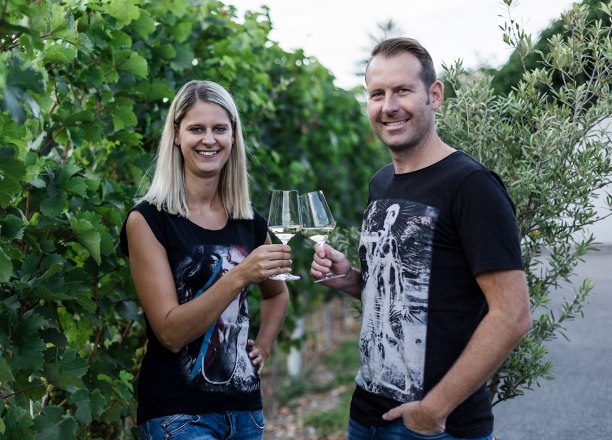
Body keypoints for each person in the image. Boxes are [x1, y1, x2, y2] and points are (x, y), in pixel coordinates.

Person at [311, 37, 532, 439]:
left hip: (437, 426)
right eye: (377, 94)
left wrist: (434, 410)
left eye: (402, 91)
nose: (388, 106)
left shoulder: (471, 185)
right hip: (366, 416)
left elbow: (512, 315)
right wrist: (354, 280)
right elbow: (411, 292)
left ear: (434, 95)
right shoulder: (381, 183)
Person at [120, 79, 291, 439]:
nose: (209, 140)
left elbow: (277, 293)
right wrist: (239, 275)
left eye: (220, 129)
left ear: (233, 137)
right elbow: (169, 333)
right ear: (177, 135)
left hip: (246, 413)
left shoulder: (249, 223)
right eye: (196, 128)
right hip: (179, 415)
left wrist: (263, 345)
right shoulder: (148, 221)